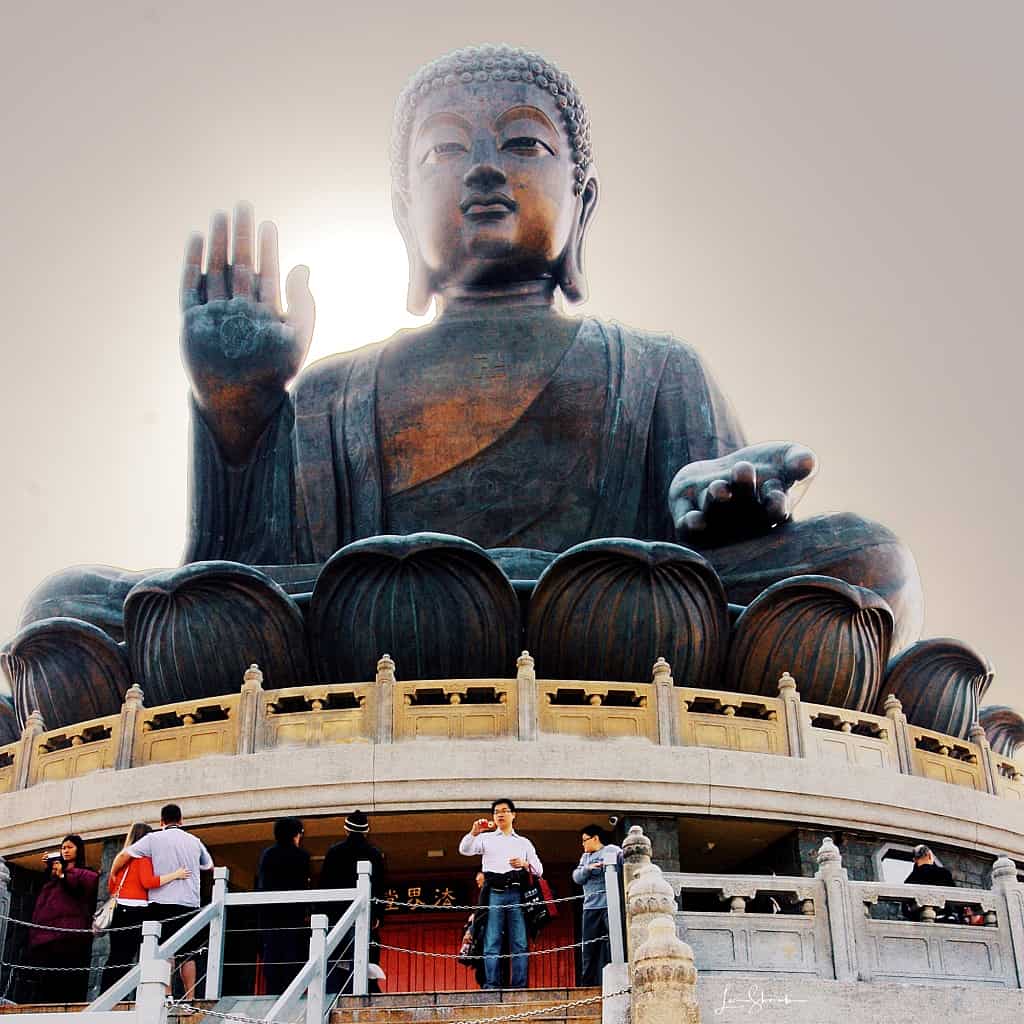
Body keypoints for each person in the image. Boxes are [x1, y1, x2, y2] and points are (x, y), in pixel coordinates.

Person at [21, 44, 923, 677]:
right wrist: (238, 413)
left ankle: (532, 597)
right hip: (394, 618)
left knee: (871, 563)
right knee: (64, 604)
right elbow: (233, 571)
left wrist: (720, 512)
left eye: (524, 144)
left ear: (583, 201)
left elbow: (699, 533)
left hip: (610, 611)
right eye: (448, 149)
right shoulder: (334, 388)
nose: (484, 168)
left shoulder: (654, 367)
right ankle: (525, 598)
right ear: (404, 210)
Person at [109, 803, 214, 998]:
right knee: (188, 954)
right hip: (190, 902)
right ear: (181, 821)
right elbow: (209, 865)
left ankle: (167, 994)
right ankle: (190, 997)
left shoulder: (153, 839)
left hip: (161, 902)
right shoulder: (194, 840)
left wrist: (114, 872)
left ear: (161, 822)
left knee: (166, 950)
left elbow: (125, 854)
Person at [459, 799, 542, 990]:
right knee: (492, 941)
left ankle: (520, 986)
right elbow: (464, 849)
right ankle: (491, 985)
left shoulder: (523, 842)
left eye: (505, 811)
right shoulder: (486, 838)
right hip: (494, 893)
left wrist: (524, 864)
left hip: (516, 893)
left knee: (520, 942)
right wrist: (474, 832)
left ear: (514, 815)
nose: (500, 814)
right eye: (496, 812)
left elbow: (539, 870)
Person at [101, 823, 190, 993]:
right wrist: (176, 874)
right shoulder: (143, 857)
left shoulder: (122, 857)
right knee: (132, 955)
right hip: (135, 910)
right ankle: (121, 996)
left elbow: (111, 887)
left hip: (120, 909)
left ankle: (106, 995)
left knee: (116, 956)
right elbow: (148, 882)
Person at [25, 835, 99, 1005]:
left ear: (78, 849)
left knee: (68, 978)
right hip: (48, 937)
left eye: (70, 847)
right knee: (47, 979)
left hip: (71, 937)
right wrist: (49, 870)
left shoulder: (86, 873)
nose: (65, 851)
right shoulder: (54, 875)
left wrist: (63, 876)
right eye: (63, 848)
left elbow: (80, 892)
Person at [319, 810, 387, 993]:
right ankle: (365, 989)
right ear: (366, 831)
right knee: (364, 955)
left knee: (337, 956)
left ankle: (337, 993)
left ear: (346, 829)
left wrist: (321, 913)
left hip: (337, 915)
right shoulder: (374, 853)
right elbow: (380, 886)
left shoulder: (334, 852)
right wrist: (378, 914)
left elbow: (324, 885)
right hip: (365, 914)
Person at [254, 817, 311, 994]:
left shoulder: (267, 854)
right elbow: (303, 886)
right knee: (293, 958)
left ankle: (273, 993)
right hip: (293, 916)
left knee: (272, 957)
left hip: (270, 916)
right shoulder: (302, 856)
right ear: (295, 835)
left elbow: (262, 885)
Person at [571, 825, 623, 986]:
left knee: (612, 943)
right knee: (589, 947)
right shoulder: (585, 858)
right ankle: (587, 984)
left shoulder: (612, 850)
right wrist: (588, 869)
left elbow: (625, 864)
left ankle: (615, 981)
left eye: (585, 840)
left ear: (595, 838)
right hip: (590, 907)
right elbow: (576, 877)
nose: (583, 844)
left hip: (610, 905)